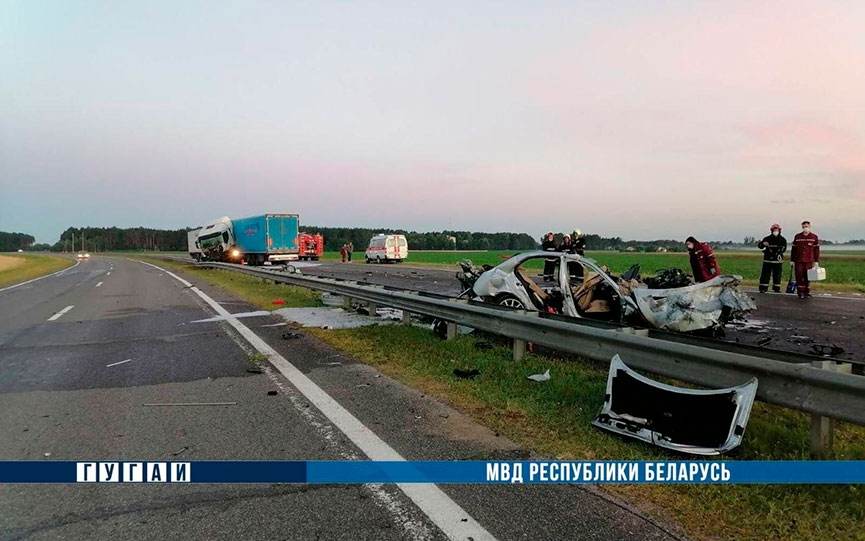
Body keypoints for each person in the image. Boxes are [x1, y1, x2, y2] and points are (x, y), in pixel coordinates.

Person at [791, 220, 820, 299]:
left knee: (808, 277)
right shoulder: (797, 237)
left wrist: (816, 261)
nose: (805, 228)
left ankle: (806, 292)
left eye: (806, 227)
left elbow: (816, 250)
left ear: (809, 227)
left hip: (809, 261)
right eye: (803, 227)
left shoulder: (814, 237)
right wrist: (792, 260)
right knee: (799, 276)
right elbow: (793, 249)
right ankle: (800, 293)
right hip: (799, 260)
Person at [757, 223, 787, 293]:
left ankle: (776, 288)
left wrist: (778, 253)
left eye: (777, 229)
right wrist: (763, 244)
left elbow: (784, 249)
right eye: (774, 229)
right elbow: (760, 246)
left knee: (777, 274)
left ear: (779, 230)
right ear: (771, 230)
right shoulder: (767, 238)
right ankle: (763, 288)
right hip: (767, 260)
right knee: (765, 274)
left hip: (777, 260)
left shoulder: (783, 239)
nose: (775, 231)